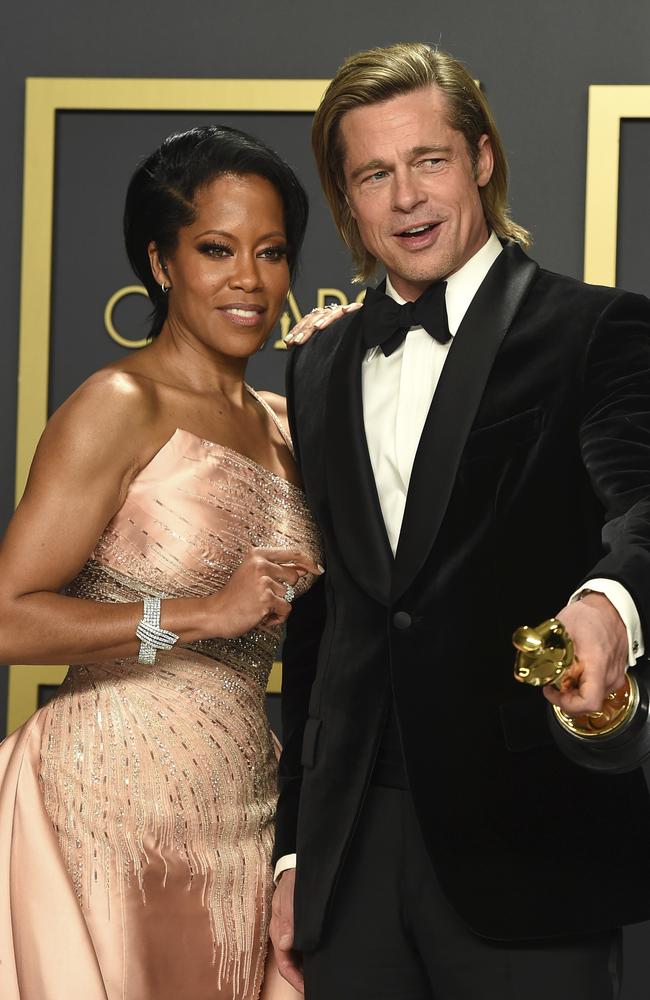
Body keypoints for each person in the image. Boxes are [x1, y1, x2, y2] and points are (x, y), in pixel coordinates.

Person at [269, 42, 650, 1000]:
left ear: (481, 159)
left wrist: (609, 607)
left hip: (528, 848)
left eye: (429, 160)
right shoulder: (314, 368)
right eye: (374, 174)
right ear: (347, 198)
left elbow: (645, 510)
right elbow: (323, 625)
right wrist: (292, 857)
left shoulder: (595, 331)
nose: (406, 198)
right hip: (350, 859)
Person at [0, 124, 321, 1000]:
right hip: (107, 804)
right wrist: (191, 614)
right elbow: (6, 613)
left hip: (241, 810)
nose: (249, 280)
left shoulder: (291, 428)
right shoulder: (121, 403)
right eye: (216, 249)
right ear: (161, 260)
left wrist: (344, 372)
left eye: (272, 252)